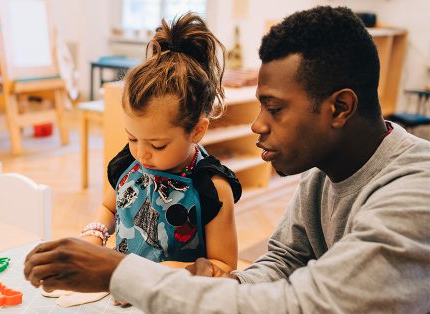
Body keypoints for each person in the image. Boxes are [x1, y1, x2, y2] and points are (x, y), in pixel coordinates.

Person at [24, 6, 430, 313]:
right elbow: (281, 263)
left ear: (340, 107)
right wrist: (217, 284)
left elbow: (306, 304)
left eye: (274, 108)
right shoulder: (322, 178)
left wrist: (118, 272)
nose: (256, 125)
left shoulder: (416, 191)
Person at [78, 13, 242, 272]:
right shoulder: (128, 162)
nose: (141, 154)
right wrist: (94, 234)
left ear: (197, 131)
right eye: (132, 138)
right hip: (124, 290)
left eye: (157, 145)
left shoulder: (212, 189)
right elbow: (109, 207)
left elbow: (222, 265)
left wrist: (152, 274)